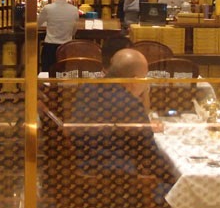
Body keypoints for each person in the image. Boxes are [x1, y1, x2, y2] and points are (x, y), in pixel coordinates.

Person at [71, 49, 171, 181]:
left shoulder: (86, 89)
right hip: (119, 181)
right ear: (135, 80)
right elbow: (149, 154)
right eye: (145, 78)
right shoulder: (131, 104)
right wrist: (171, 173)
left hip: (82, 173)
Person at [38, 0, 80, 72]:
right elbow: (74, 31)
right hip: (67, 48)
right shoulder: (74, 10)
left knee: (48, 75)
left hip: (49, 48)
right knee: (64, 75)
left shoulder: (48, 8)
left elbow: (36, 24)